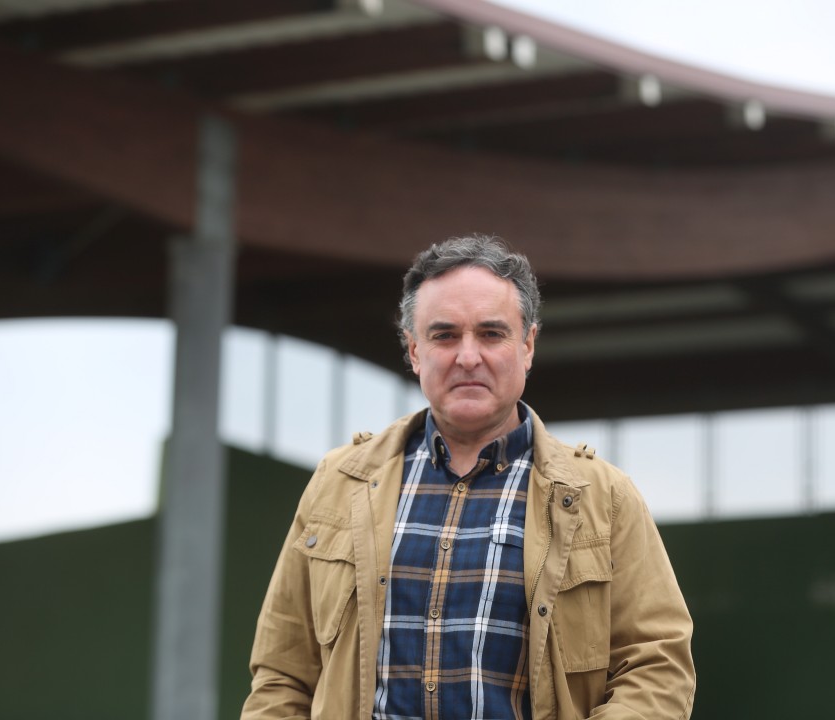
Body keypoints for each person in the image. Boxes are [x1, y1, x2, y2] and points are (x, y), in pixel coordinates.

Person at [242, 235, 695, 719]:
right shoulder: (339, 483)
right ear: (414, 351)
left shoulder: (602, 498)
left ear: (527, 346)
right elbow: (281, 675)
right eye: (445, 336)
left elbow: (656, 667)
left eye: (491, 334)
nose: (468, 356)